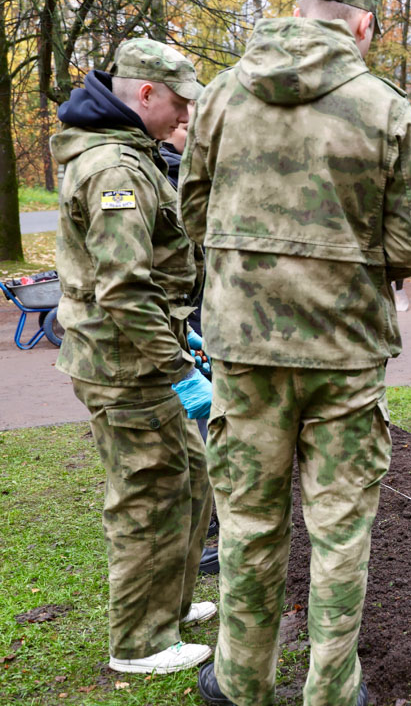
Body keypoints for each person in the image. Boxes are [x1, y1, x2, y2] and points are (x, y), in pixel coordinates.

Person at [179, 0, 411, 706]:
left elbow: (192, 208)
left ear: (303, 10)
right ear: (362, 23)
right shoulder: (383, 105)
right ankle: (331, 688)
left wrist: (246, 271)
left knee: (249, 523)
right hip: (344, 349)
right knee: (339, 527)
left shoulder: (224, 93)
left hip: (244, 347)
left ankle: (241, 679)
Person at [52, 38, 215, 673]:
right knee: (148, 496)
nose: (183, 117)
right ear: (144, 93)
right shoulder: (115, 168)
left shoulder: (129, 154)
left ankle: (168, 607)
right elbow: (122, 286)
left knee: (190, 478)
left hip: (142, 353)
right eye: (177, 104)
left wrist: (180, 334)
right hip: (126, 367)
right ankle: (141, 644)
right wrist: (178, 369)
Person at [162, 109, 221, 577]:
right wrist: (181, 359)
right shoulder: (159, 175)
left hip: (196, 314)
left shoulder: (201, 169)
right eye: (185, 126)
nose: (193, 132)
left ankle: (205, 527)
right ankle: (200, 535)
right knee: (189, 430)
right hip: (175, 318)